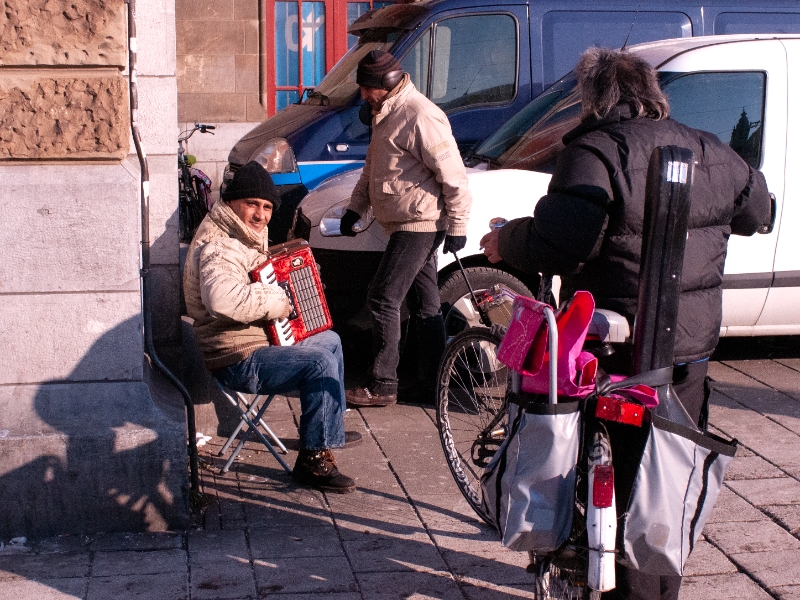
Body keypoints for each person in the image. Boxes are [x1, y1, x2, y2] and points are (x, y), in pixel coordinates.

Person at [480, 47, 771, 600]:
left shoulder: (594, 152)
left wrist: (507, 240)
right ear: (654, 94)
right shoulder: (710, 148)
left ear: (593, 99)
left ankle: (589, 559)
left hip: (613, 345)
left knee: (602, 460)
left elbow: (563, 243)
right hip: (688, 350)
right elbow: (760, 212)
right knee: (664, 475)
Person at [183, 161, 360, 494]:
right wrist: (278, 300)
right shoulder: (220, 247)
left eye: (266, 207)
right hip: (236, 358)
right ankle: (312, 461)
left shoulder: (244, 235)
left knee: (331, 341)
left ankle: (325, 433)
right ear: (233, 203)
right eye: (252, 204)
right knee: (318, 364)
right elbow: (222, 300)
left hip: (254, 341)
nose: (260, 214)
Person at [340, 50, 473, 407]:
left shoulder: (420, 114)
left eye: (368, 89)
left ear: (385, 84)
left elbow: (454, 176)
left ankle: (383, 384)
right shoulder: (385, 113)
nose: (364, 97)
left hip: (420, 223)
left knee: (383, 297)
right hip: (406, 222)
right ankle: (432, 384)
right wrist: (355, 209)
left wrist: (458, 223)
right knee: (426, 305)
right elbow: (372, 170)